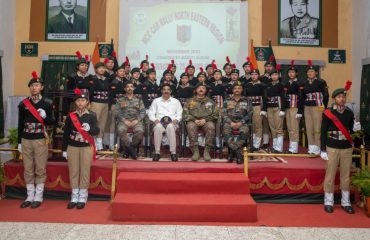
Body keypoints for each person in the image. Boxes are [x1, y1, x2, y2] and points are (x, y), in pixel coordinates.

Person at [320, 81, 361, 214]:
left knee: (345, 176)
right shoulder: (328, 113)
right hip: (332, 147)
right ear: (334, 99)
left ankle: (345, 202)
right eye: (339, 97)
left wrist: (355, 130)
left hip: (346, 148)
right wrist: (322, 149)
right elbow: (323, 131)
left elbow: (351, 132)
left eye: (343, 97)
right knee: (330, 174)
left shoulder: (349, 113)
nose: (342, 99)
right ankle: (328, 201)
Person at [18, 71, 54, 208]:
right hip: (26, 138)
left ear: (42, 87)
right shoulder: (23, 104)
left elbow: (52, 122)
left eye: (37, 85)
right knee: (27, 168)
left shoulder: (47, 103)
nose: (34, 88)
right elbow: (20, 123)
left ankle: (38, 196)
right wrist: (19, 142)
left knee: (40, 168)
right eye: (32, 85)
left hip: (39, 138)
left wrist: (45, 116)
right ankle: (29, 195)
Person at [62, 88, 99, 209]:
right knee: (74, 171)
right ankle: (74, 196)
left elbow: (96, 131)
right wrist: (64, 149)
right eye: (78, 100)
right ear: (75, 102)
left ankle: (83, 197)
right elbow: (66, 133)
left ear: (87, 102)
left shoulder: (92, 115)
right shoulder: (71, 116)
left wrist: (90, 129)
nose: (80, 103)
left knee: (84, 171)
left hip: (85, 146)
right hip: (72, 146)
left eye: (83, 100)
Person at [183, 82, 219, 161]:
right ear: (196, 90)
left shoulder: (211, 102)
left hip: (207, 120)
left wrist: (205, 120)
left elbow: (216, 114)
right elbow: (185, 114)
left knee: (211, 126)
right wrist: (194, 120)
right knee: (190, 126)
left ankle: (207, 151)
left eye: (203, 88)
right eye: (199, 88)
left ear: (206, 90)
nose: (201, 89)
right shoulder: (189, 101)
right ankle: (195, 151)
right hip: (193, 120)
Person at [148, 84, 183, 161]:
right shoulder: (156, 101)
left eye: (168, 90)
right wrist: (154, 120)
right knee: (157, 127)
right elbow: (151, 113)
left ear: (170, 91)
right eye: (164, 89)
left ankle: (173, 153)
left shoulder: (176, 101)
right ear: (162, 91)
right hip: (159, 122)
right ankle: (157, 152)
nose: (166, 91)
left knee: (170, 127)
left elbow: (180, 113)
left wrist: (176, 119)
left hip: (172, 123)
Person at [303, 60, 329, 155]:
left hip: (318, 107)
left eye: (312, 71)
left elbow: (326, 96)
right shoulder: (305, 83)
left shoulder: (321, 82)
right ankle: (311, 147)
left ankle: (318, 147)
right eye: (308, 72)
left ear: (316, 73)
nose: (310, 73)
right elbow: (303, 96)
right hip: (307, 107)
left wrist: (324, 108)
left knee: (317, 128)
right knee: (309, 127)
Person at [115, 81, 145, 159]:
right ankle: (132, 151)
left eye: (131, 86)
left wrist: (137, 120)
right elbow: (117, 112)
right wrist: (124, 120)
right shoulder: (120, 99)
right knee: (121, 130)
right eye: (127, 87)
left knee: (140, 131)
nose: (129, 88)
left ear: (134, 88)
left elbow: (143, 112)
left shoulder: (138, 99)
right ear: (125, 89)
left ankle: (128, 150)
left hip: (136, 121)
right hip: (124, 121)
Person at [223, 81, 251, 164]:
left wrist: (241, 122)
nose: (237, 90)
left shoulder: (247, 100)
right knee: (226, 130)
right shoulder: (227, 100)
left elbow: (250, 114)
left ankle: (232, 152)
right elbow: (223, 113)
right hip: (229, 123)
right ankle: (238, 153)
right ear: (232, 90)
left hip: (243, 123)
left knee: (244, 131)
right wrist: (230, 122)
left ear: (242, 90)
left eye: (239, 88)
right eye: (235, 88)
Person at [263, 66, 286, 153]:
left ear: (278, 75)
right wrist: (264, 109)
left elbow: (283, 98)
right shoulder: (267, 86)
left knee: (279, 128)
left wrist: (282, 109)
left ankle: (279, 148)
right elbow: (265, 98)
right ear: (270, 76)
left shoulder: (282, 85)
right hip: (269, 108)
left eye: (276, 75)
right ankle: (275, 146)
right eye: (272, 75)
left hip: (278, 108)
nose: (274, 76)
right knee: (272, 128)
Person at [283, 60, 304, 154]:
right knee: (289, 128)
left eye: (293, 72)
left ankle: (294, 149)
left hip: (295, 108)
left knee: (295, 128)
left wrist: (300, 111)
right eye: (289, 72)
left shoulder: (300, 83)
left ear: (296, 73)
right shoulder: (286, 83)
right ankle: (291, 148)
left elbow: (302, 97)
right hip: (288, 108)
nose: (291, 74)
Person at [89, 62, 110, 150]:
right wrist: (89, 103)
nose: (102, 69)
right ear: (96, 69)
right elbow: (90, 92)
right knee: (95, 122)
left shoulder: (106, 79)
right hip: (96, 103)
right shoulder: (93, 79)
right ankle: (92, 141)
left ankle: (99, 142)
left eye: (103, 68)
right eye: (100, 68)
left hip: (105, 103)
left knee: (102, 123)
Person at [245, 67, 266, 151]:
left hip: (258, 106)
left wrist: (263, 109)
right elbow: (245, 96)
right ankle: (252, 143)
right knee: (251, 126)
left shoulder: (262, 85)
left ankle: (257, 144)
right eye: (252, 74)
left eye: (255, 74)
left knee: (258, 126)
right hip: (249, 107)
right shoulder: (247, 84)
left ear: (258, 75)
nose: (253, 76)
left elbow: (264, 97)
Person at [107, 65, 127, 150]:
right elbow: (111, 97)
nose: (122, 73)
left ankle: (119, 144)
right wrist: (110, 107)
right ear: (116, 73)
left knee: (121, 124)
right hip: (115, 105)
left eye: (123, 71)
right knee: (112, 124)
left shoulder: (125, 82)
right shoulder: (114, 82)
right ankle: (111, 145)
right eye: (120, 71)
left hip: (124, 105)